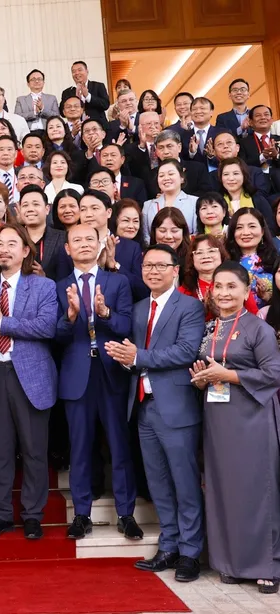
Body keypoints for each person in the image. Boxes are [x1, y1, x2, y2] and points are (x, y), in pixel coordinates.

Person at [104, 245, 205, 581]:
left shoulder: (189, 307)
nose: (153, 271)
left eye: (161, 265)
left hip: (176, 409)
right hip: (144, 407)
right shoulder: (136, 309)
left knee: (184, 482)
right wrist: (122, 355)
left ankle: (191, 552)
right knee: (159, 482)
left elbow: (187, 351)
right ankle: (169, 545)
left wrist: (137, 357)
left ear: (175, 269)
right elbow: (132, 355)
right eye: (148, 266)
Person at [190, 261, 280, 593]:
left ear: (246, 291)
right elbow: (208, 372)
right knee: (224, 490)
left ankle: (267, 565)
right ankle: (231, 563)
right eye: (218, 287)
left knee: (258, 491)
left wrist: (226, 376)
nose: (224, 293)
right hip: (218, 420)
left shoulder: (260, 329)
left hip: (253, 419)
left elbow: (274, 374)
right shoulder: (209, 328)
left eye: (232, 287)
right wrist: (201, 379)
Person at [54, 224, 141, 541]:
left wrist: (104, 312)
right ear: (67, 249)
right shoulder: (59, 286)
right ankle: (81, 514)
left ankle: (126, 513)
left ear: (100, 244)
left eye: (89, 239)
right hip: (77, 375)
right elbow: (56, 334)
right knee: (80, 447)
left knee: (120, 445)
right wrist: (72, 316)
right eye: (76, 240)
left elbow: (127, 324)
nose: (83, 244)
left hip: (112, 371)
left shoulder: (117, 282)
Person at [0, 224, 58, 540]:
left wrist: (2, 321)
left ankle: (33, 515)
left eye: (13, 244)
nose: (4, 249)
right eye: (0, 244)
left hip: (30, 377)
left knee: (34, 450)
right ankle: (1, 514)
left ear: (26, 251)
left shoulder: (43, 286)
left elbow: (46, 328)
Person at [180, 235, 257, 318]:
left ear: (221, 255)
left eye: (211, 251)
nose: (206, 256)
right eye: (199, 253)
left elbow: (254, 317)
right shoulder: (184, 291)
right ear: (192, 259)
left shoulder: (237, 284)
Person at [226, 208, 278, 309]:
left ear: (262, 231)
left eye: (252, 226)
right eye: (239, 227)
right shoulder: (224, 262)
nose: (246, 232)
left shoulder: (275, 261)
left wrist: (266, 297)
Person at [19, 185, 71, 281]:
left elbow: (69, 277)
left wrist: (45, 279)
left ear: (47, 209)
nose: (30, 209)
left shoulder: (63, 238)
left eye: (36, 204)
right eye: (25, 205)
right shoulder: (14, 238)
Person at [142, 160, 198, 243]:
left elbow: (197, 233)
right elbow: (146, 236)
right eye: (161, 175)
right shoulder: (148, 205)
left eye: (171, 174)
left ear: (182, 178)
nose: (166, 178)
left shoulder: (195, 202)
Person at [218, 157, 275, 225]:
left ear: (244, 175)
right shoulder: (217, 203)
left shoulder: (258, 200)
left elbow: (270, 227)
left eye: (236, 173)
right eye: (226, 174)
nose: (231, 178)